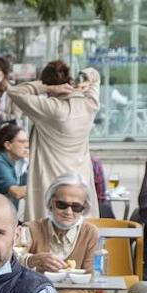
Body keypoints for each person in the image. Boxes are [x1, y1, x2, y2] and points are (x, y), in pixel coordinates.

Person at [8, 60, 101, 222]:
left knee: (45, 235)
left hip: (50, 183)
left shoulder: (49, 108)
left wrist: (46, 87)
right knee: (79, 233)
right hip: (80, 182)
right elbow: (95, 76)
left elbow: (15, 92)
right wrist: (84, 79)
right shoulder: (89, 105)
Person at [23, 174, 100, 274]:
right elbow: (11, 260)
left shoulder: (90, 233)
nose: (68, 212)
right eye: (62, 204)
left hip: (76, 290)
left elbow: (91, 276)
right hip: (35, 289)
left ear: (84, 207)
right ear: (50, 203)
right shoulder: (31, 229)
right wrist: (31, 260)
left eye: (76, 207)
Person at [0, 122, 29, 207]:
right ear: (8, 145)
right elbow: (16, 192)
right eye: (22, 142)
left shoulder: (20, 161)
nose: (27, 145)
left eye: (27, 141)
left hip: (9, 214)